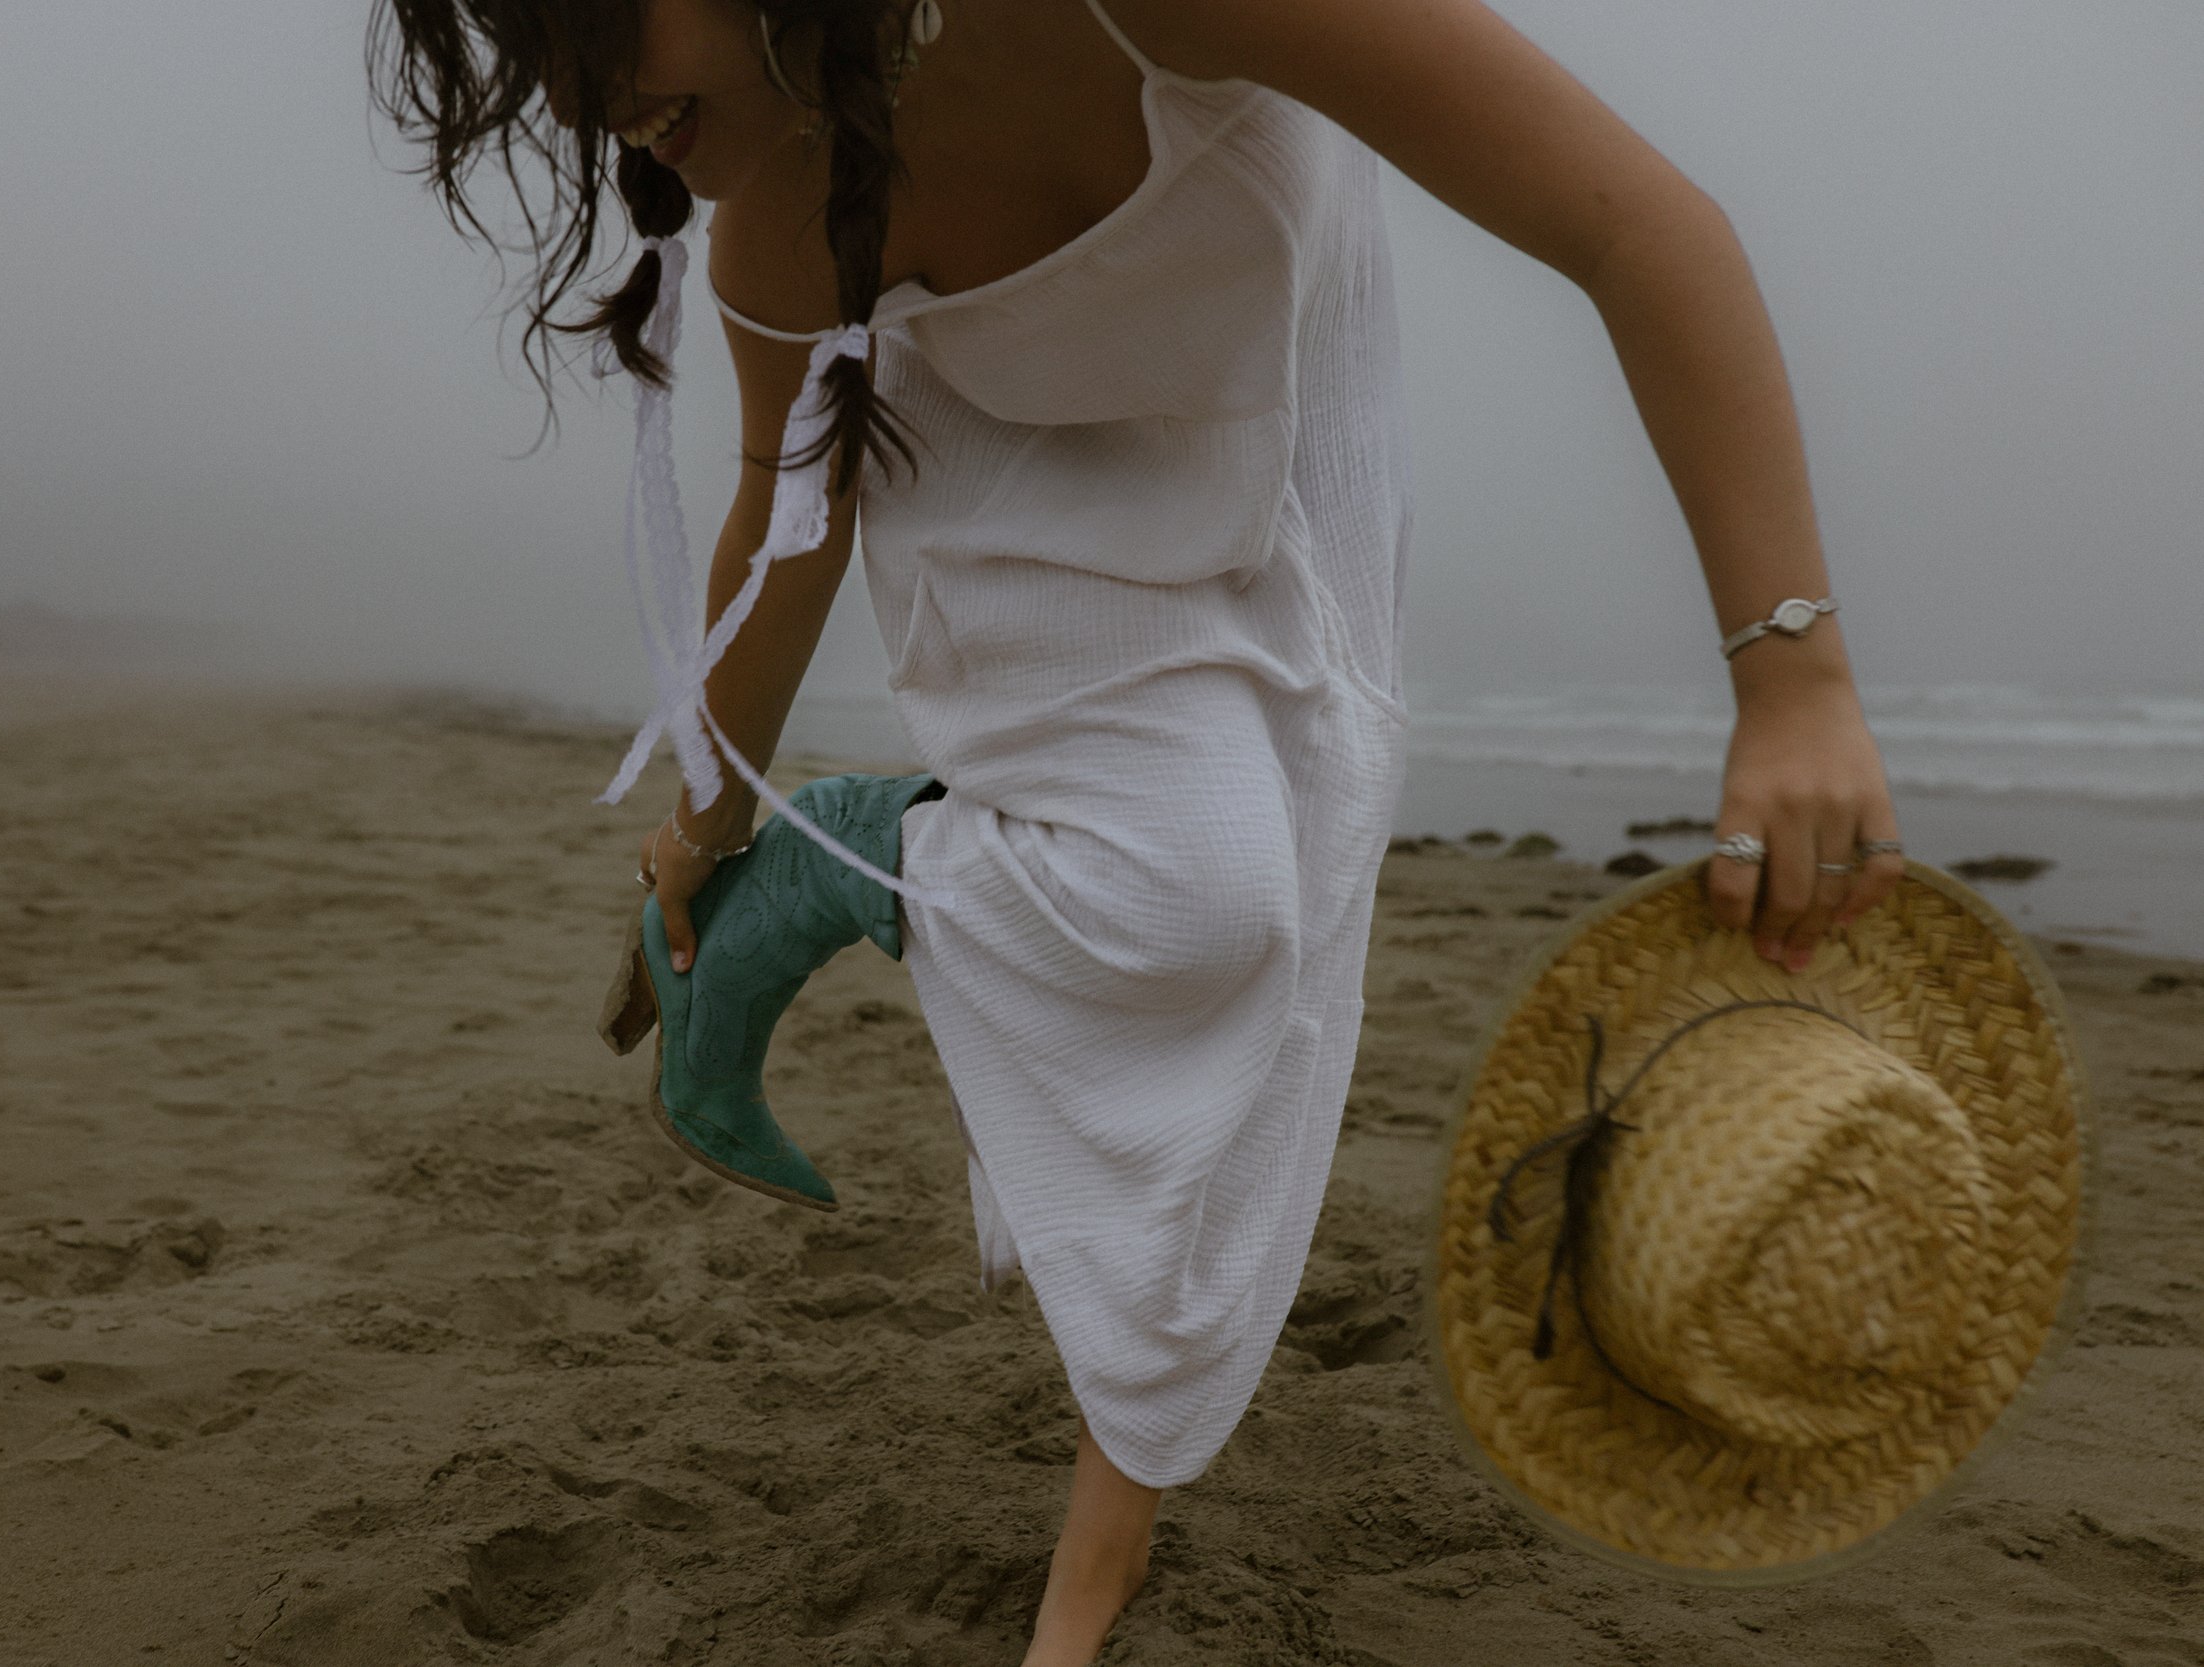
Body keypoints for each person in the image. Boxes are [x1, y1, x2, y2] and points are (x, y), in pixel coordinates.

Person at [373, 2, 1906, 1660]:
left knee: (1286, 952)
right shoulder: (786, 229)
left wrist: (1795, 679)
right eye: (534, 49)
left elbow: (1640, 225)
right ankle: (856, 858)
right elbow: (789, 530)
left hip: (1265, 380)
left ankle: (1089, 1579)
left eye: (599, 10)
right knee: (1202, 914)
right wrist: (704, 830)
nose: (584, 96)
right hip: (997, 468)